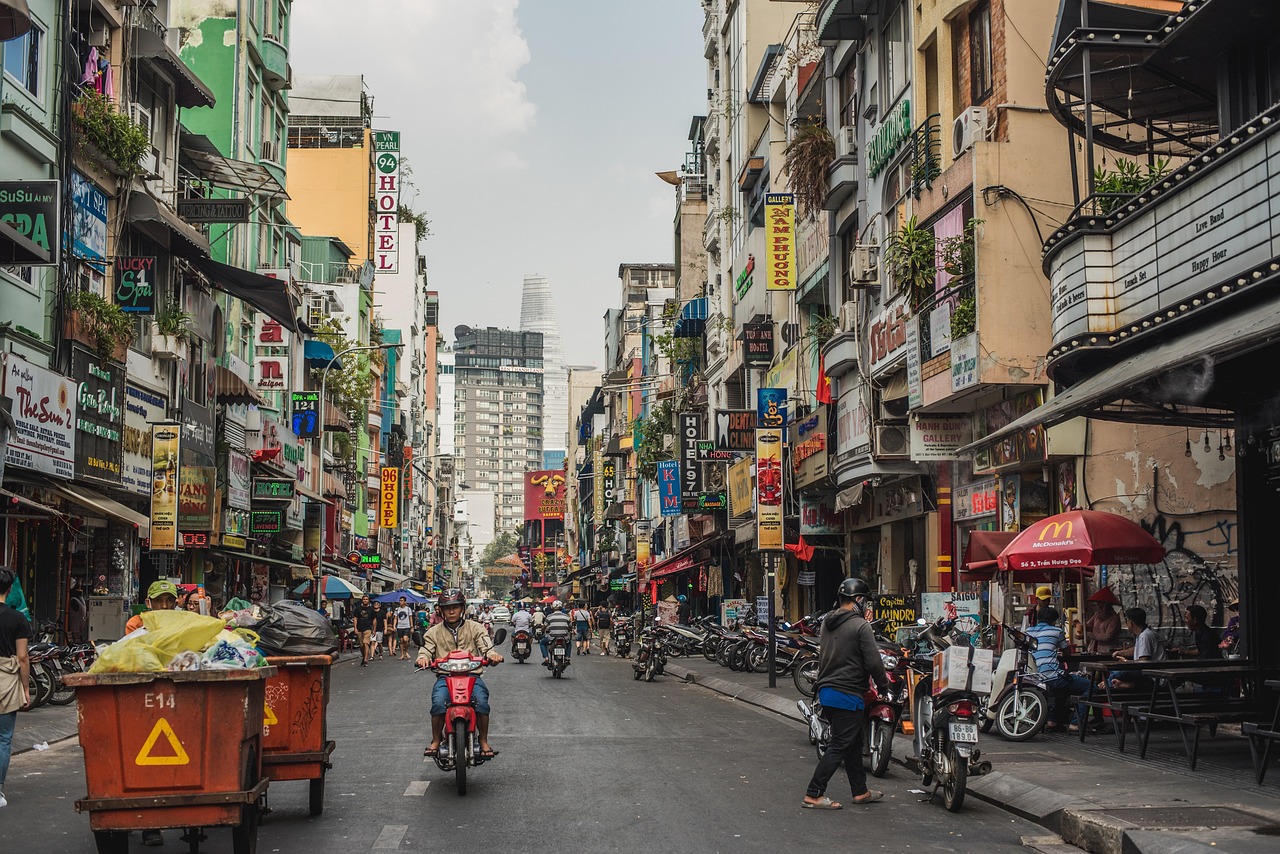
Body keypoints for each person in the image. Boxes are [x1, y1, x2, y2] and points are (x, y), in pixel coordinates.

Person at [802, 578, 888, 810]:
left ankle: (860, 791)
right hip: (847, 693)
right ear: (858, 600)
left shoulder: (827, 623)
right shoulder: (861, 626)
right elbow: (874, 662)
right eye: (864, 601)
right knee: (840, 744)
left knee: (852, 743)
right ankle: (814, 793)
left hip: (827, 692)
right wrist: (884, 687)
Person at [123, 581, 178, 846]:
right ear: (150, 603)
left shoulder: (183, 623)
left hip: (176, 697)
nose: (165, 606)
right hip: (142, 696)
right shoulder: (136, 624)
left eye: (169, 601)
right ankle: (147, 822)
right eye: (160, 601)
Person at [416, 590, 502, 758]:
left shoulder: (475, 628)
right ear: (441, 610)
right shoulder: (433, 632)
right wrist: (422, 659)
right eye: (447, 608)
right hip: (445, 677)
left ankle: (483, 740)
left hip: (471, 676)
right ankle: (435, 739)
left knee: (482, 703)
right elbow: (425, 650)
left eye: (455, 607)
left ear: (462, 608)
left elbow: (487, 646)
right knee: (438, 703)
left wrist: (492, 655)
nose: (452, 611)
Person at [1025, 606, 1092, 733]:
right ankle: (1076, 723)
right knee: (1089, 686)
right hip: (1051, 676)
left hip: (1034, 677)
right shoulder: (1056, 631)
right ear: (1053, 621)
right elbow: (1067, 653)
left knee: (1063, 689)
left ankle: (1053, 721)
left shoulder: (1028, 631)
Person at [0, 567, 33, 810]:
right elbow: (23, 658)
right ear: (10, 590)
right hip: (6, 680)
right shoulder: (17, 619)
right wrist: (26, 689)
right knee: (3, 738)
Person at [1110, 607, 1166, 689]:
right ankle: (1126, 685)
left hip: (1154, 677)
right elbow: (1138, 649)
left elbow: (1144, 660)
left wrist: (1127, 662)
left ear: (1131, 623)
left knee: (1118, 673)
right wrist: (1121, 653)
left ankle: (1104, 686)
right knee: (1114, 672)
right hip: (1148, 673)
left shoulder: (1145, 636)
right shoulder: (1143, 634)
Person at [1085, 587, 1123, 653]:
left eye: (1101, 603)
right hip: (1093, 649)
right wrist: (1080, 625)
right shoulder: (1097, 614)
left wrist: (1091, 635)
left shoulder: (1114, 618)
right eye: (1098, 603)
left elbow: (1108, 637)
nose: (1099, 605)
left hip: (1107, 651)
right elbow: (1089, 626)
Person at [352, 595, 378, 666]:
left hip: (368, 628)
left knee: (366, 643)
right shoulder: (358, 609)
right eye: (364, 599)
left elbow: (374, 620)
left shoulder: (371, 610)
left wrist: (374, 629)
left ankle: (366, 659)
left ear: (368, 600)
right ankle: (364, 657)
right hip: (360, 628)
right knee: (361, 645)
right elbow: (355, 619)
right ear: (362, 600)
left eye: (366, 599)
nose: (365, 600)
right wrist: (355, 628)